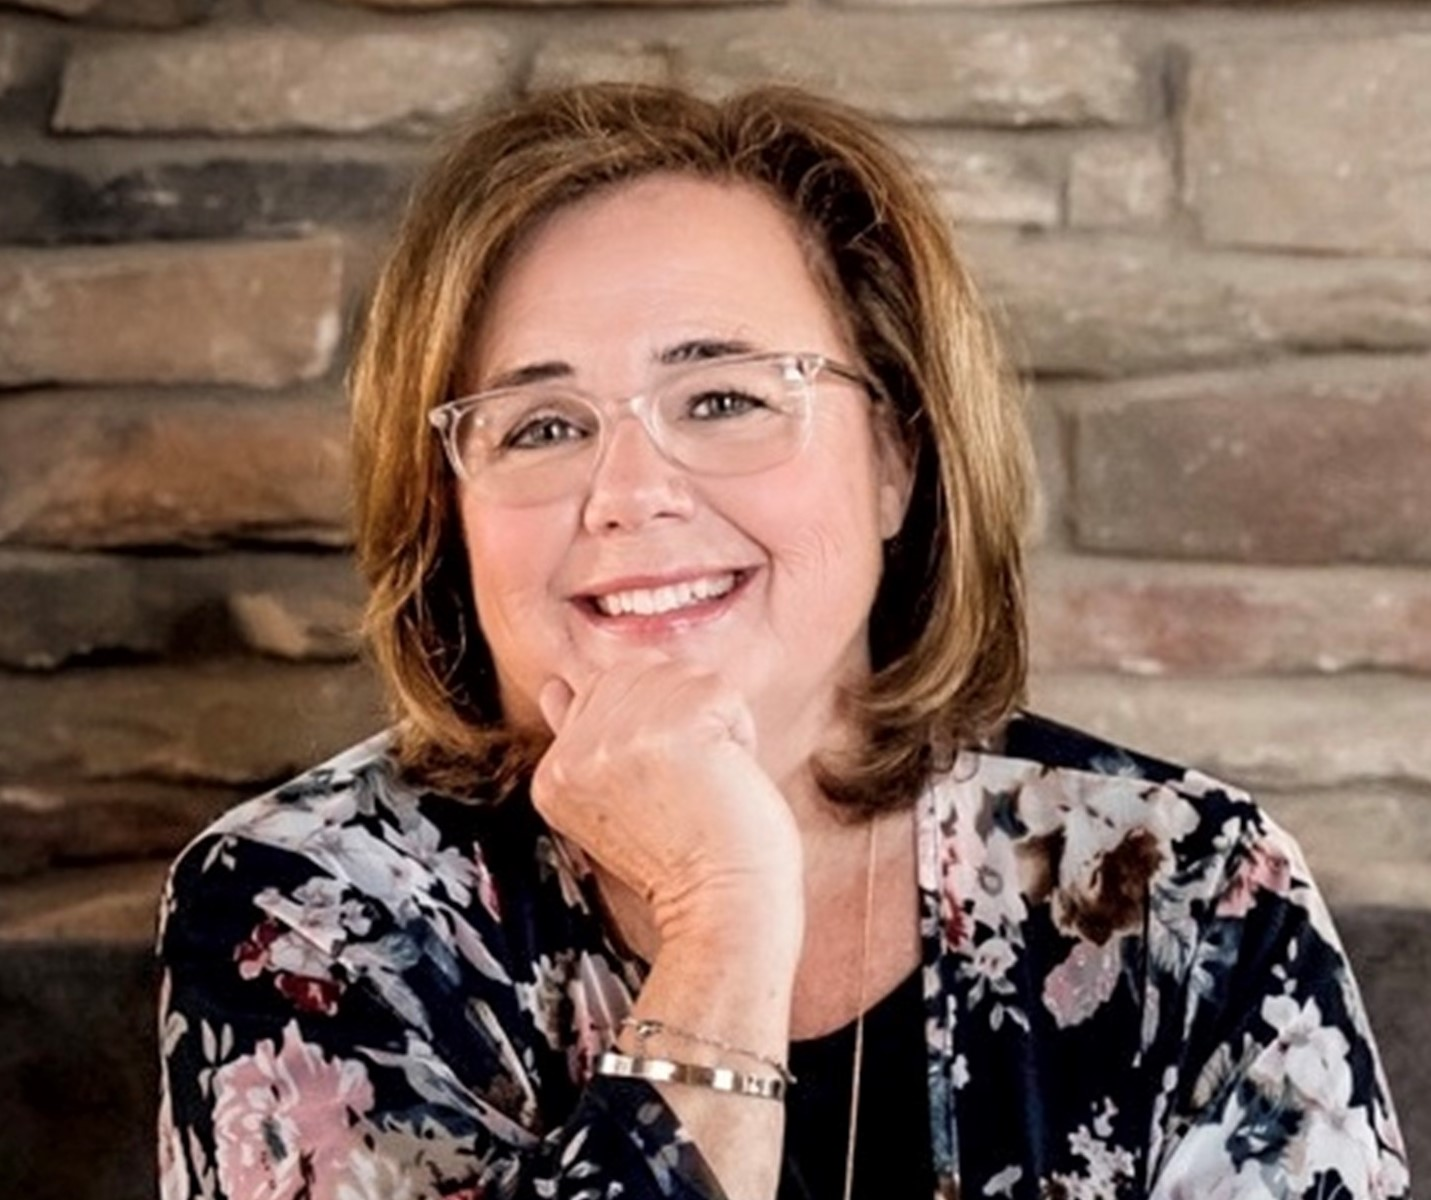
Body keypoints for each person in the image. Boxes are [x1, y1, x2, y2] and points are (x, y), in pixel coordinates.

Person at [156, 82, 1409, 1200]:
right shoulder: (308, 910)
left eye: (724, 398)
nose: (628, 494)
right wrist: (725, 926)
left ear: (895, 460)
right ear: (450, 510)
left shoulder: (1187, 890)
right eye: (542, 426)